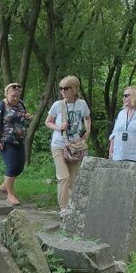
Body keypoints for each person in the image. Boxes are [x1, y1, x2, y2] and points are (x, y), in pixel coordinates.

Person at [46, 75, 91, 214]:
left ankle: (72, 207)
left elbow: (87, 117)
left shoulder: (82, 104)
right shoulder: (57, 105)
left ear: (75, 89)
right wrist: (59, 127)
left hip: (75, 146)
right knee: (63, 177)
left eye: (66, 88)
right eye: (61, 88)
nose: (63, 91)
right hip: (59, 145)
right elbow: (48, 122)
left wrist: (87, 131)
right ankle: (63, 208)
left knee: (73, 179)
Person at [0, 83, 32, 206]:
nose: (16, 98)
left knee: (20, 167)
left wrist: (27, 116)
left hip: (19, 140)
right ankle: (10, 195)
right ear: (7, 94)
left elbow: (21, 116)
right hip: (6, 140)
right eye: (13, 96)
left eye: (18, 96)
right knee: (12, 166)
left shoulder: (21, 104)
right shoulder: (1, 105)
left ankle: (4, 186)